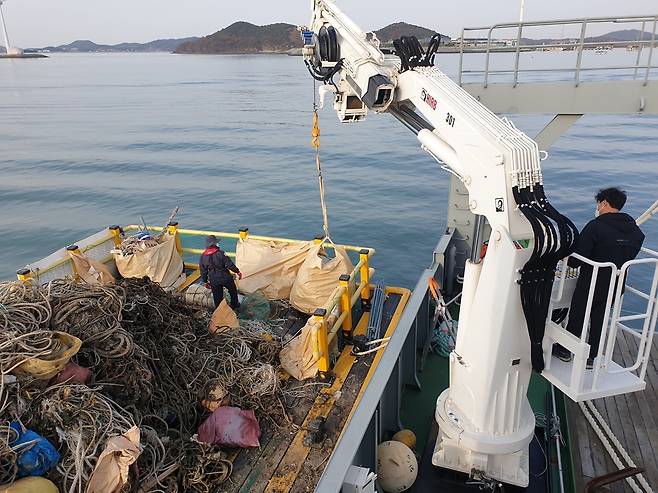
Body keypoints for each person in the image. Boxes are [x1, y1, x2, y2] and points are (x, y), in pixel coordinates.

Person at [554, 188, 645, 367]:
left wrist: (566, 258)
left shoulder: (595, 226)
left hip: (592, 282)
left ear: (604, 203)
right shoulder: (634, 230)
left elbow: (576, 259)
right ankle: (592, 356)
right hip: (616, 284)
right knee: (600, 319)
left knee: (578, 314)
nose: (598, 208)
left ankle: (566, 351)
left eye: (599, 204)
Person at [199, 235, 243, 309]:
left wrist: (205, 281)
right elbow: (230, 265)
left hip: (214, 280)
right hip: (225, 277)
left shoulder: (203, 256)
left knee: (217, 297)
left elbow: (203, 271)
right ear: (214, 244)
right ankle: (235, 306)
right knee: (232, 291)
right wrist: (237, 271)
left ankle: (219, 310)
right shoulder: (221, 253)